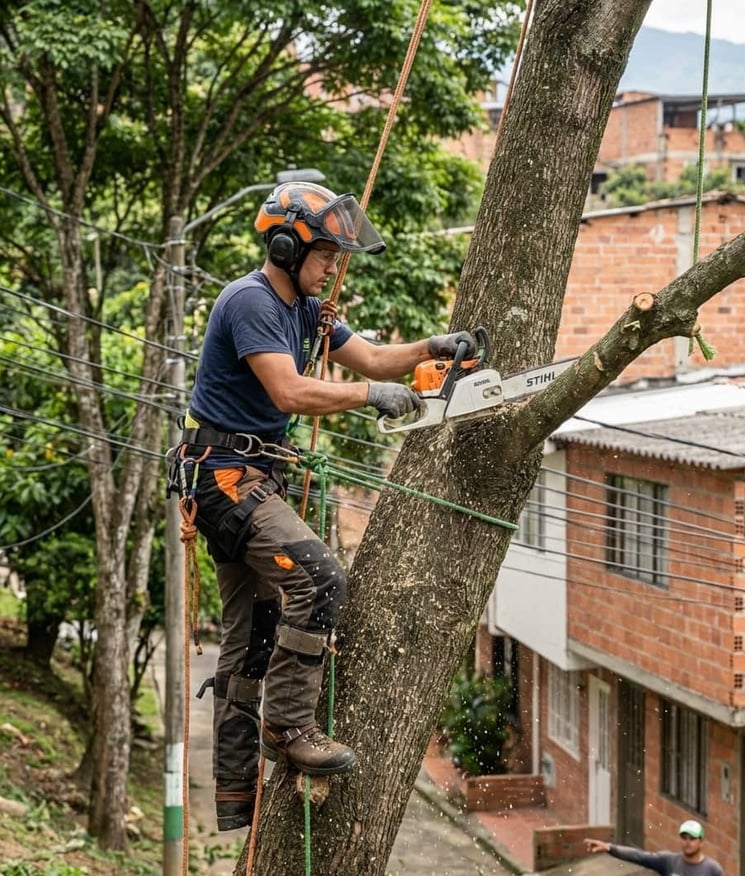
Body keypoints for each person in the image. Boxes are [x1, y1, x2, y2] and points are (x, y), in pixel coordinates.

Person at [171, 180, 476, 831]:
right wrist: (367, 398)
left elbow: (373, 359)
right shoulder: (251, 301)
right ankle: (287, 727)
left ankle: (234, 791)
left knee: (254, 632)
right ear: (287, 248)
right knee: (319, 577)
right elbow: (287, 392)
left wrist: (432, 348)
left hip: (253, 477)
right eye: (327, 253)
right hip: (225, 477)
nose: (334, 266)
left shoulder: (310, 311)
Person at [585, 819, 724, 876]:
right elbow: (639, 856)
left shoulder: (712, 869)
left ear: (701, 842)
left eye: (692, 839)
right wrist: (609, 848)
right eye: (684, 838)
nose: (687, 842)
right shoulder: (669, 861)